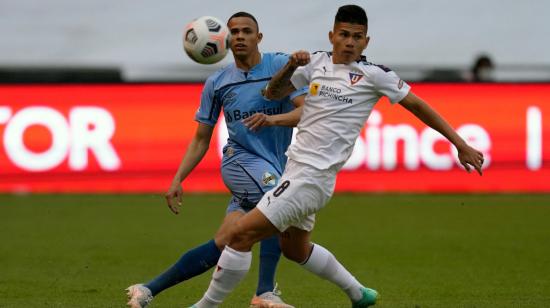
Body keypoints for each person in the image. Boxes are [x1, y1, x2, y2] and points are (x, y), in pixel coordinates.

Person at [190, 4, 485, 308]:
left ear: (366, 42)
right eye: (344, 35)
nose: (350, 42)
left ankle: (204, 306)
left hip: (312, 179)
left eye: (357, 37)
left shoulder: (375, 75)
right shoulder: (316, 63)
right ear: (332, 35)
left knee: (239, 235)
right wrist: (290, 65)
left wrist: (459, 143)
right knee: (294, 249)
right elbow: (272, 94)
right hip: (295, 171)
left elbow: (419, 105)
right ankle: (359, 294)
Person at [126, 11, 307, 308]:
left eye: (246, 31)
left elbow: (304, 112)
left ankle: (147, 289)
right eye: (234, 32)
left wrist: (275, 120)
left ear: (258, 37)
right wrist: (178, 178)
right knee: (278, 205)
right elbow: (201, 138)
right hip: (239, 162)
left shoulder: (279, 65)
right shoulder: (218, 83)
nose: (239, 36)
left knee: (225, 241)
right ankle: (263, 293)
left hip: (273, 164)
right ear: (225, 39)